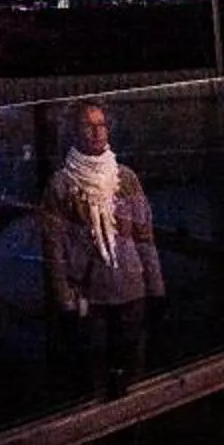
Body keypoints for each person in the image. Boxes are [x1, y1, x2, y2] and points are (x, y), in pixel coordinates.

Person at [39, 100, 164, 399]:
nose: (97, 132)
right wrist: (65, 301)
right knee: (94, 379)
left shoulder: (125, 178)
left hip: (131, 292)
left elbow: (144, 238)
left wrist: (156, 288)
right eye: (88, 125)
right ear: (75, 131)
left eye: (101, 125)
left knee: (134, 376)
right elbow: (54, 250)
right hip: (91, 298)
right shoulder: (61, 185)